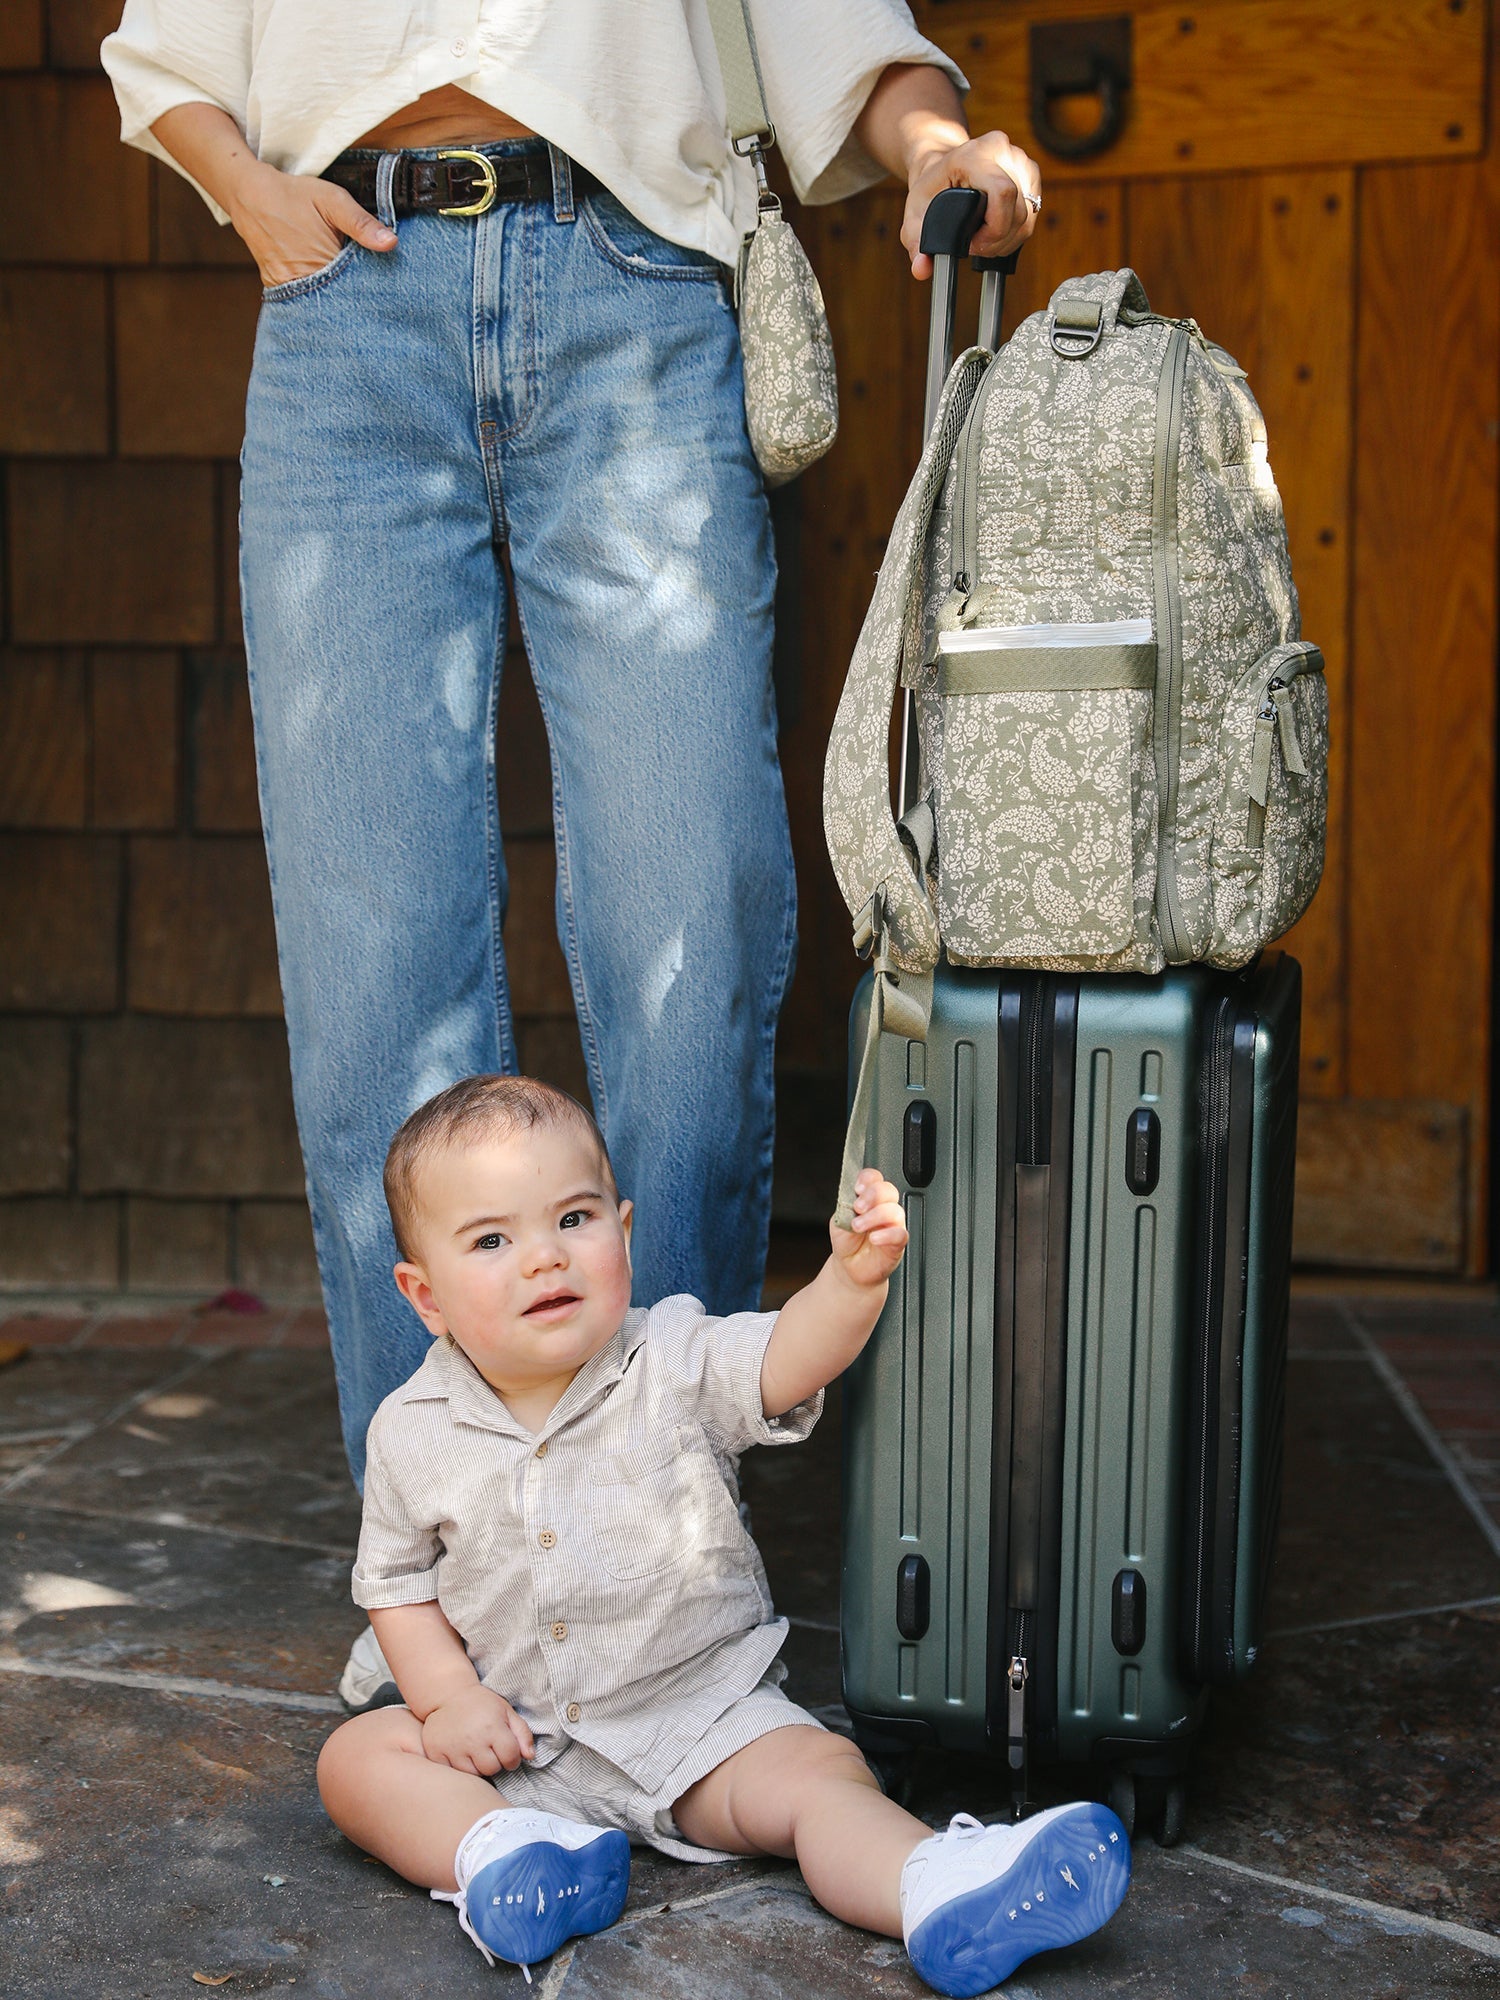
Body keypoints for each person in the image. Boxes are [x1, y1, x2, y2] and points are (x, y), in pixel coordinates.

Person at [100, 6, 1041, 1497]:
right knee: (373, 942)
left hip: (633, 295)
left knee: (691, 911)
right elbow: (168, 57)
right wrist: (252, 193)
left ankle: (661, 1514)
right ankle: (444, 1534)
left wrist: (941, 142)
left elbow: (838, 33)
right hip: (346, 304)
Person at [314, 1075, 1129, 1994]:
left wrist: (851, 1278)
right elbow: (397, 1584)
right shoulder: (410, 1430)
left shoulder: (674, 1357)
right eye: (494, 1240)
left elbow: (786, 1355)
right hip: (522, 1748)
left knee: (823, 1775)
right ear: (425, 1295)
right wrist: (447, 1702)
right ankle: (502, 1854)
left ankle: (935, 1886)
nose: (545, 1258)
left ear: (622, 1232)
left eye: (574, 1220)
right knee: (358, 1760)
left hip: (706, 1727)